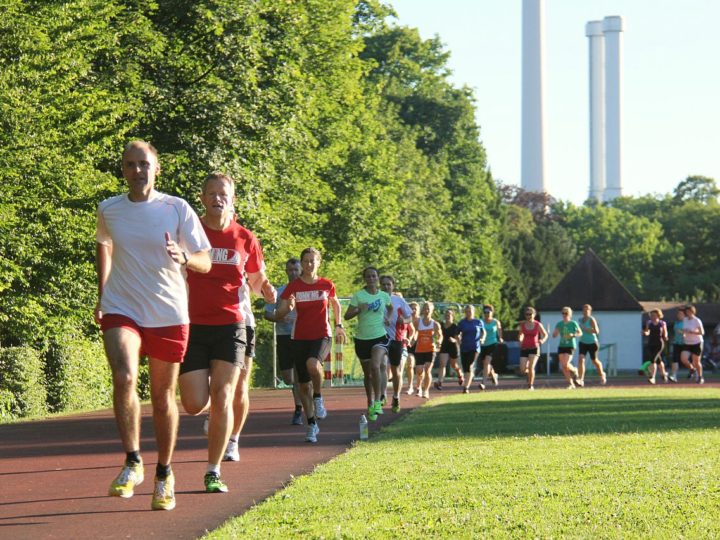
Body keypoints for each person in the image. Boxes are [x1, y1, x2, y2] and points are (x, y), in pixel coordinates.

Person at [96, 141, 212, 510]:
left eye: (143, 164)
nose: (137, 171)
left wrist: (185, 257)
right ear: (123, 170)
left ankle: (164, 472)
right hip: (122, 306)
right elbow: (104, 243)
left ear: (156, 169)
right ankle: (132, 460)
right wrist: (103, 294)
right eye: (130, 165)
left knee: (163, 399)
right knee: (125, 377)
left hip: (167, 311)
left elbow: (206, 261)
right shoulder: (109, 209)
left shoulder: (176, 207)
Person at [178, 172, 276, 493]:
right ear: (203, 199)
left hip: (231, 324)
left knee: (224, 395)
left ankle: (213, 470)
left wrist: (267, 290)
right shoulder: (191, 234)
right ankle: (215, 419)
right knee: (194, 403)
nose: (218, 198)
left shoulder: (245, 237)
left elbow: (257, 279)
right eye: (212, 193)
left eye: (224, 194)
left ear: (232, 199)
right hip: (193, 325)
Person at [274, 248, 346, 442]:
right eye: (305, 261)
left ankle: (319, 397)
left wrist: (338, 325)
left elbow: (336, 304)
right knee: (302, 386)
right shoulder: (294, 286)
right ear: (301, 263)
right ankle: (312, 424)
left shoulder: (326, 284)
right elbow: (281, 309)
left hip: (322, 335)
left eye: (312, 261)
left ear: (318, 262)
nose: (308, 265)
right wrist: (280, 312)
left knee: (313, 364)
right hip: (299, 337)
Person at [345, 267, 393, 421]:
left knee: (376, 365)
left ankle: (378, 401)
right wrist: (359, 309)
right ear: (365, 279)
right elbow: (347, 316)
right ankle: (370, 400)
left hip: (379, 336)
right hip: (362, 339)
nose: (371, 279)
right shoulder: (359, 296)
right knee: (368, 374)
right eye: (368, 276)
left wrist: (388, 318)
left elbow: (390, 308)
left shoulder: (384, 296)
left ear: (377, 278)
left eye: (374, 276)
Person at [264, 258, 304, 423]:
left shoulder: (306, 291)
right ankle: (304, 398)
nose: (293, 273)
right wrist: (277, 318)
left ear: (301, 271)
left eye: (296, 270)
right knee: (289, 378)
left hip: (302, 336)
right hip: (284, 337)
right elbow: (267, 313)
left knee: (300, 374)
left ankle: (299, 409)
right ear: (286, 271)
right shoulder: (279, 292)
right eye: (290, 270)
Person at [380, 275, 413, 413]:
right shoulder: (377, 298)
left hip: (396, 339)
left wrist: (403, 321)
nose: (386, 287)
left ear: (393, 286)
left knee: (395, 370)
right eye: (384, 284)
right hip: (380, 337)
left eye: (389, 284)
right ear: (380, 286)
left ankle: (396, 396)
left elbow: (410, 317)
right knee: (381, 365)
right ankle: (382, 395)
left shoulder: (399, 300)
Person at [413, 302, 442, 399]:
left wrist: (438, 341)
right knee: (419, 371)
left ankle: (426, 391)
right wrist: (412, 339)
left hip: (431, 349)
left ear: (432, 310)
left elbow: (440, 335)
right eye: (425, 308)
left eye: (428, 309)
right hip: (420, 349)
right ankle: (419, 387)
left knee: (428, 370)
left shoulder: (435, 324)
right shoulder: (418, 322)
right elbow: (414, 332)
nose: (426, 310)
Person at [552, 307, 583, 389]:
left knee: (566, 364)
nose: (564, 315)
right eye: (563, 313)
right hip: (562, 345)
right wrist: (554, 334)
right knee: (563, 366)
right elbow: (554, 334)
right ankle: (571, 384)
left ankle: (575, 370)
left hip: (570, 345)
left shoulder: (573, 323)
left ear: (570, 314)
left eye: (566, 313)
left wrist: (573, 335)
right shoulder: (559, 324)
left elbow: (580, 333)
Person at [518, 307, 547, 391]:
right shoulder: (522, 325)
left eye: (530, 314)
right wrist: (520, 339)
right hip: (524, 348)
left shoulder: (538, 324)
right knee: (522, 369)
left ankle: (530, 385)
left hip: (534, 348)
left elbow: (545, 334)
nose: (528, 316)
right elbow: (520, 334)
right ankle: (529, 375)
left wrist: (542, 340)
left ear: (534, 315)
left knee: (531, 367)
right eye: (527, 314)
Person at [577, 304, 607, 385]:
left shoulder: (591, 319)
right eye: (584, 310)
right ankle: (581, 379)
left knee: (594, 360)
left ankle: (602, 375)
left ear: (590, 311)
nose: (585, 312)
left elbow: (597, 331)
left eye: (587, 310)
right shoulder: (579, 320)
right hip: (583, 342)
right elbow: (578, 331)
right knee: (581, 359)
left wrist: (586, 329)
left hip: (592, 342)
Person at [456, 305, 484, 394]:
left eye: (470, 311)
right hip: (464, 347)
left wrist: (482, 338)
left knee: (470, 365)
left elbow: (484, 332)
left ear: (473, 312)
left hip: (475, 347)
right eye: (467, 311)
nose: (468, 313)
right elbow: (456, 333)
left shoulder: (478, 322)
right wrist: (458, 340)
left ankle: (466, 387)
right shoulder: (462, 323)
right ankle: (469, 378)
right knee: (466, 369)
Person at [435, 309, 463, 390]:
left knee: (453, 365)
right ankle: (439, 382)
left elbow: (459, 339)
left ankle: (460, 374)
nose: (447, 316)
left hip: (453, 347)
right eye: (446, 315)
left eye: (449, 315)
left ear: (452, 316)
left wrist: (454, 340)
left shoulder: (455, 327)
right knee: (442, 364)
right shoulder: (441, 325)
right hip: (444, 346)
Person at [642, 309, 669, 384]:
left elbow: (665, 333)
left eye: (654, 315)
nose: (652, 317)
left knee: (652, 360)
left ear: (658, 315)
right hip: (651, 343)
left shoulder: (662, 323)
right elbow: (647, 331)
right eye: (651, 315)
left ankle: (652, 377)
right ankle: (663, 374)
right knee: (658, 360)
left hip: (659, 344)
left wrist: (666, 337)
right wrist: (645, 333)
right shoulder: (649, 322)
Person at [478, 304, 502, 389]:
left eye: (488, 312)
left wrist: (500, 338)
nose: (487, 314)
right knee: (486, 363)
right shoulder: (480, 321)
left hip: (493, 344)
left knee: (486, 363)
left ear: (492, 312)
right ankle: (493, 375)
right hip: (483, 344)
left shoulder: (495, 322)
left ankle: (483, 383)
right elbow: (479, 331)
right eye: (485, 312)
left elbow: (499, 331)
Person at [681, 305, 705, 384]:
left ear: (693, 312)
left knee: (696, 362)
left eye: (689, 312)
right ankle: (692, 369)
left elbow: (702, 332)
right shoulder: (685, 320)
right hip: (687, 343)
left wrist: (692, 332)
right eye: (686, 312)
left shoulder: (697, 320)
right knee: (683, 359)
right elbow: (684, 330)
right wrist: (683, 333)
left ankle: (700, 377)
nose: (688, 313)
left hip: (697, 342)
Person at [668, 308, 693, 382]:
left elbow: (690, 332)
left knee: (684, 360)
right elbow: (675, 332)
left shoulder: (688, 323)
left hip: (686, 343)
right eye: (678, 314)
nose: (678, 315)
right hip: (676, 343)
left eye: (680, 314)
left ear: (685, 315)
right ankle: (674, 375)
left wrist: (683, 333)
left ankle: (692, 369)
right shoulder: (676, 323)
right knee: (674, 359)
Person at [405, 302, 420, 395]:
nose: (413, 310)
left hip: (420, 345)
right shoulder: (406, 318)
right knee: (410, 364)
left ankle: (419, 386)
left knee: (419, 369)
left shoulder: (420, 320)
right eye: (412, 308)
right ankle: (410, 386)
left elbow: (418, 330)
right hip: (409, 344)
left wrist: (415, 337)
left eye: (415, 309)